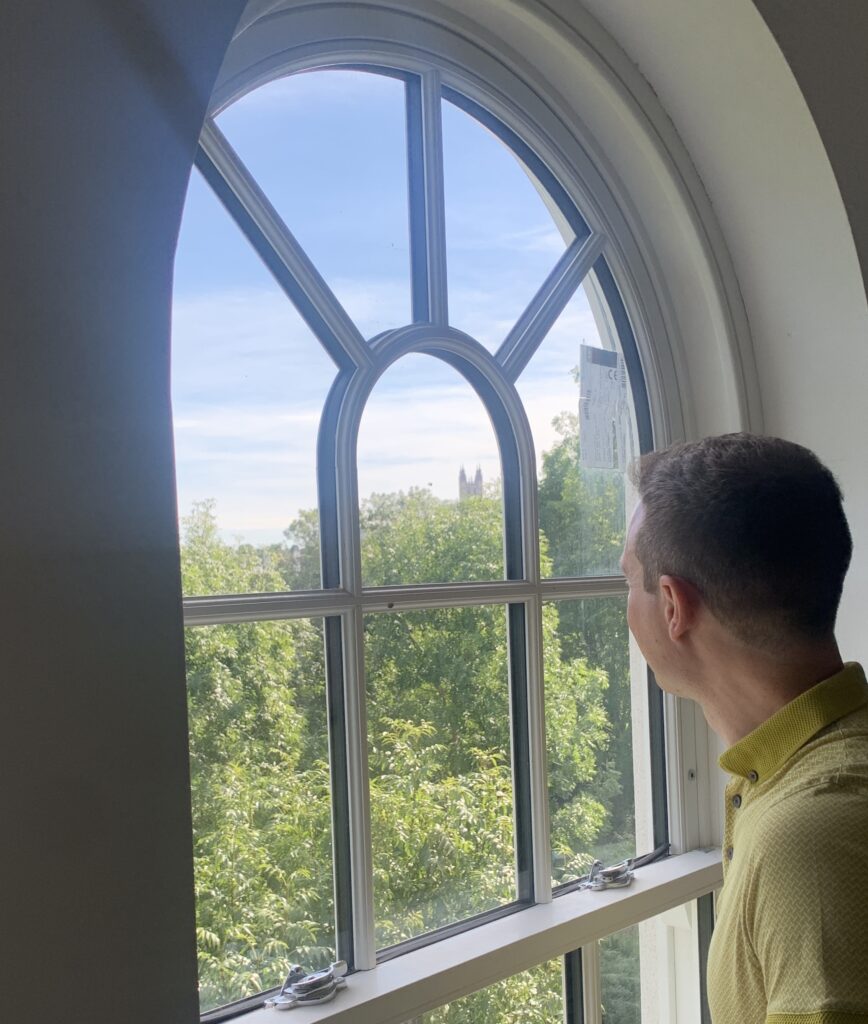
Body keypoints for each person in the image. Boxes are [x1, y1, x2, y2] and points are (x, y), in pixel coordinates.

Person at [622, 433, 868, 1024]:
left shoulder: (808, 837)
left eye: (627, 583)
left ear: (673, 605)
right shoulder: (805, 775)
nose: (625, 607)